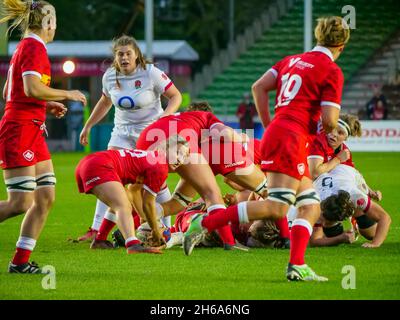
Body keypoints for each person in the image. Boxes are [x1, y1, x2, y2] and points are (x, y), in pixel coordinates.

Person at [184, 16, 351, 282]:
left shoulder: (290, 60)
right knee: (276, 208)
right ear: (342, 46)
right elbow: (331, 120)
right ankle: (205, 223)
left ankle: (296, 266)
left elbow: (258, 87)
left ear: (318, 37)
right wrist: (325, 129)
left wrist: (270, 124)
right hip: (292, 137)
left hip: (280, 132)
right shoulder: (332, 71)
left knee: (311, 207)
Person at [0, 0, 87, 273]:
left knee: (46, 196)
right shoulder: (34, 47)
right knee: (20, 202)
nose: (55, 26)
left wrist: (46, 105)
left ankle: (20, 262)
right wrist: (66, 93)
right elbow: (31, 87)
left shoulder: (26, 46)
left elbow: (9, 93)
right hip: (19, 129)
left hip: (33, 128)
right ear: (49, 23)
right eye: (55, 21)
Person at [77, 35, 182, 241]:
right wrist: (88, 126)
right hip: (122, 133)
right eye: (120, 54)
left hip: (150, 134)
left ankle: (167, 230)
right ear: (115, 57)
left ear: (136, 56)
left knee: (156, 182)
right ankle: (96, 230)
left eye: (128, 54)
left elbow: (176, 96)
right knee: (109, 178)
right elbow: (105, 102)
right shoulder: (109, 76)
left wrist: (164, 119)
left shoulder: (151, 73)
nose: (124, 58)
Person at [75, 135, 190, 253]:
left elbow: (133, 191)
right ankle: (133, 245)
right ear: (162, 149)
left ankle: (100, 240)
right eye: (177, 152)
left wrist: (143, 218)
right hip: (99, 165)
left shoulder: (151, 158)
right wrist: (155, 230)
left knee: (124, 199)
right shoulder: (160, 167)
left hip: (90, 161)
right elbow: (148, 203)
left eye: (184, 156)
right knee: (123, 205)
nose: (180, 159)